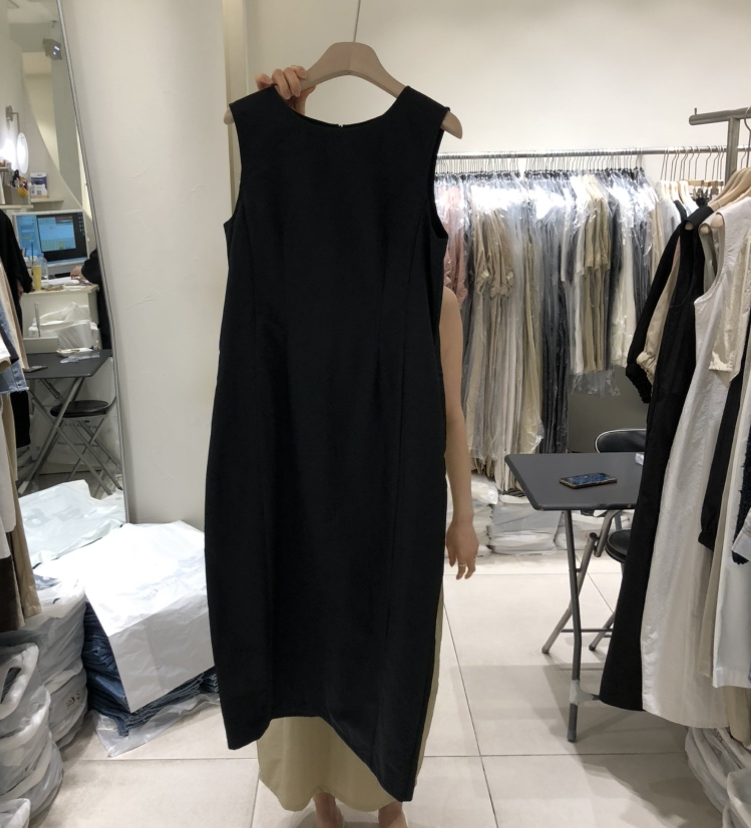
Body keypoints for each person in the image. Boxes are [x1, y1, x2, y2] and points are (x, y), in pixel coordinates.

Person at [250, 67, 479, 828]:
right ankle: (322, 794)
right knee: (305, 637)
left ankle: (385, 794)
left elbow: (451, 415)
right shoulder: (287, 276)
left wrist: (464, 515)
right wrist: (290, 121)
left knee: (393, 650)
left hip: (394, 506)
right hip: (301, 493)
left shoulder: (435, 301)